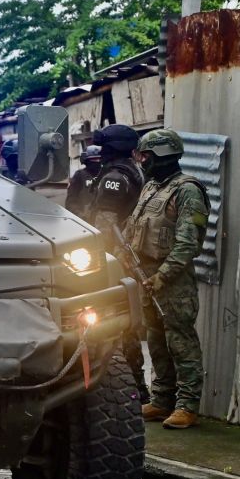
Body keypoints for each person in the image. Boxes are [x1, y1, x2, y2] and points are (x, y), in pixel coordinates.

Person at [121, 129, 209, 430]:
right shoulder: (152, 187)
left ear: (163, 155)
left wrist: (163, 276)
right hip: (146, 278)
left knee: (180, 342)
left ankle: (187, 406)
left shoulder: (187, 190)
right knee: (157, 341)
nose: (142, 161)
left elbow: (189, 242)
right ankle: (161, 400)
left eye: (146, 155)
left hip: (172, 280)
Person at [86, 124, 149, 402]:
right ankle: (137, 388)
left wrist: (96, 263)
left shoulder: (114, 177)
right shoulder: (133, 171)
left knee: (115, 324)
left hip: (114, 261)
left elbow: (105, 225)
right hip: (124, 257)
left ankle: (131, 389)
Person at [65, 145, 102, 218]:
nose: (97, 162)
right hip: (84, 220)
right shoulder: (79, 175)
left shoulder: (106, 175)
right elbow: (71, 202)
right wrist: (80, 216)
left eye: (98, 159)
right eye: (93, 160)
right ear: (86, 161)